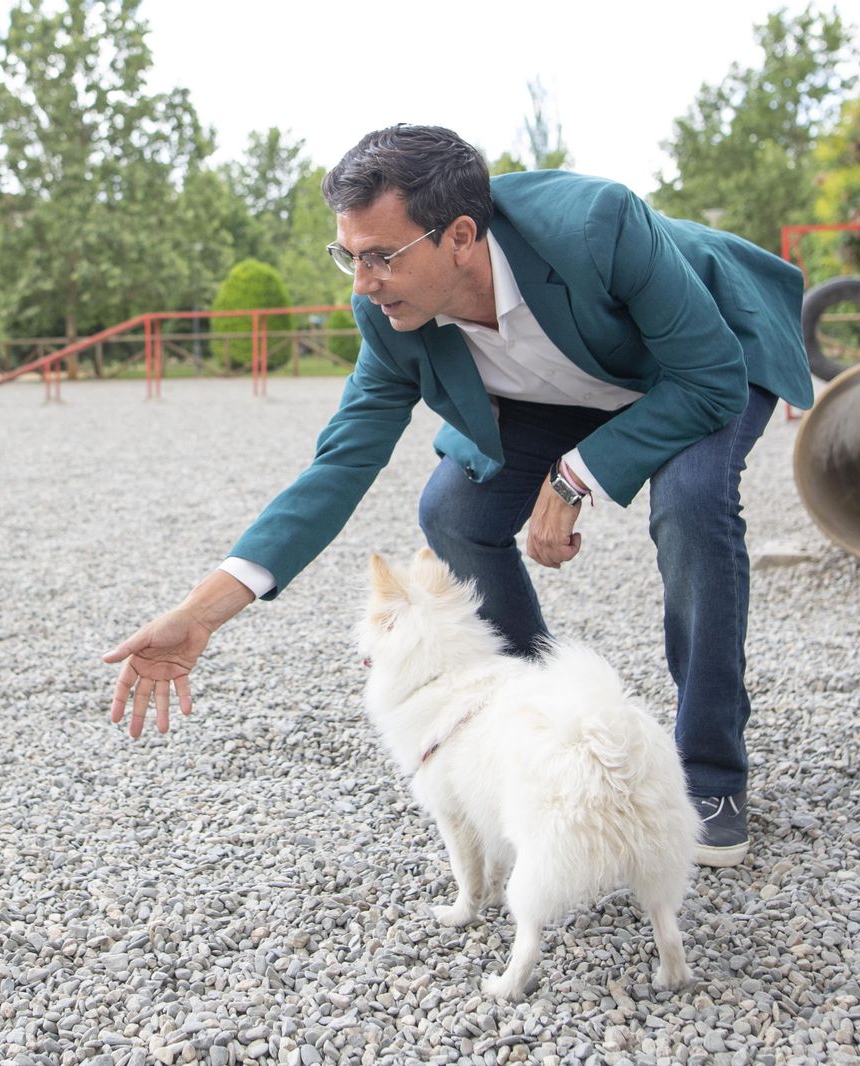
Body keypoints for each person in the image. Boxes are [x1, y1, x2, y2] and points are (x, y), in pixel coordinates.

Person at [104, 125, 813, 868]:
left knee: (691, 504)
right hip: (566, 391)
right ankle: (545, 734)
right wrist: (200, 613)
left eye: (380, 256)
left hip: (705, 358)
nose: (361, 281)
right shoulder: (386, 317)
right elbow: (340, 463)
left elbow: (709, 379)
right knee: (452, 512)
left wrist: (578, 475)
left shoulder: (597, 223)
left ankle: (711, 771)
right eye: (348, 255)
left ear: (462, 236)